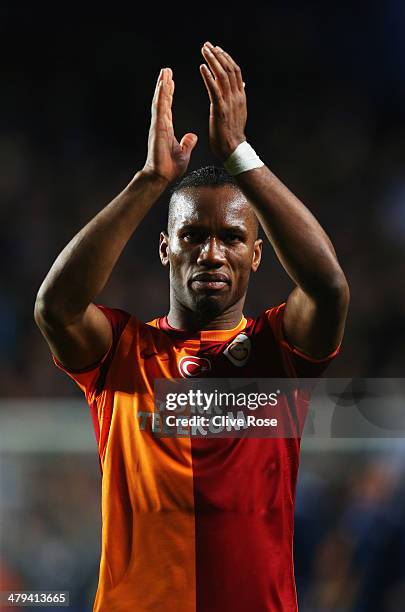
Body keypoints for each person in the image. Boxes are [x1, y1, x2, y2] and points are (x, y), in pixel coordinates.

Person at [34, 41, 349, 612]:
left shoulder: (278, 352)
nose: (211, 253)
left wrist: (240, 155)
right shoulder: (121, 352)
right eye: (192, 236)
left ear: (257, 255)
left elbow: (328, 287)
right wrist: (151, 181)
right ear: (165, 249)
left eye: (231, 238)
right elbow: (54, 308)